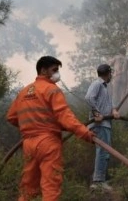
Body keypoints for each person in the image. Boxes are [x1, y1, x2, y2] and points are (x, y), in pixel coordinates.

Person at [6, 56, 96, 201]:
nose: (57, 74)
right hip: (48, 144)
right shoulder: (52, 90)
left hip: (28, 144)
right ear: (43, 70)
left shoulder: (23, 92)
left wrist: (31, 127)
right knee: (51, 188)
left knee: (28, 188)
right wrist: (86, 133)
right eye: (54, 70)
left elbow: (11, 117)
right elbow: (65, 117)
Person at [85, 64, 120, 190]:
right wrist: (96, 113)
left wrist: (114, 111)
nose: (111, 75)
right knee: (103, 152)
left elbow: (110, 104)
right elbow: (89, 98)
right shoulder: (98, 84)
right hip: (99, 124)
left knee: (105, 152)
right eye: (110, 73)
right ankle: (98, 182)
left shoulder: (105, 88)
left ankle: (99, 178)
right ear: (108, 73)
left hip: (106, 124)